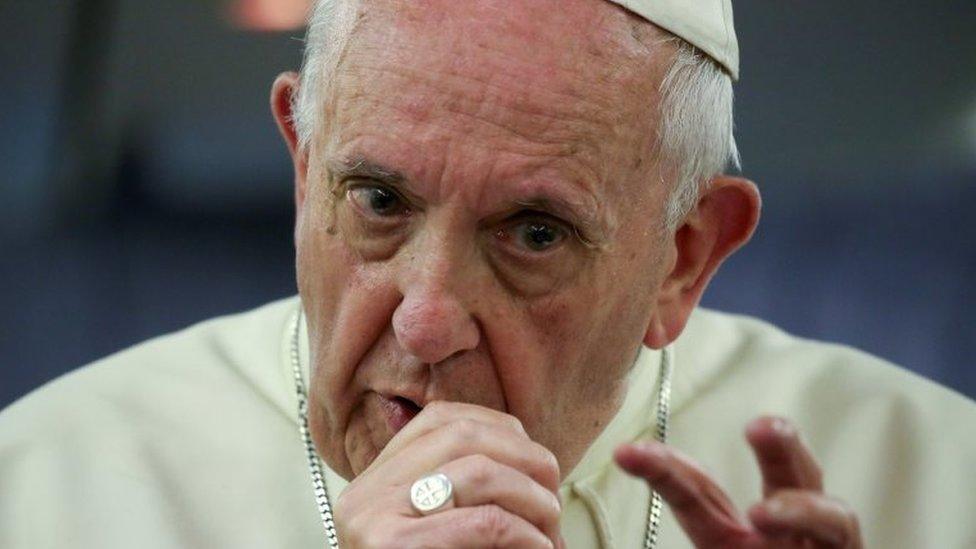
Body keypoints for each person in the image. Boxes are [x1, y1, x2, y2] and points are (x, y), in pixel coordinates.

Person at [1, 0, 974, 547]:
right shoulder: (45, 487)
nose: (426, 321)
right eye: (379, 202)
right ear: (304, 169)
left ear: (684, 258)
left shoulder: (936, 483)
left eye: (534, 233)